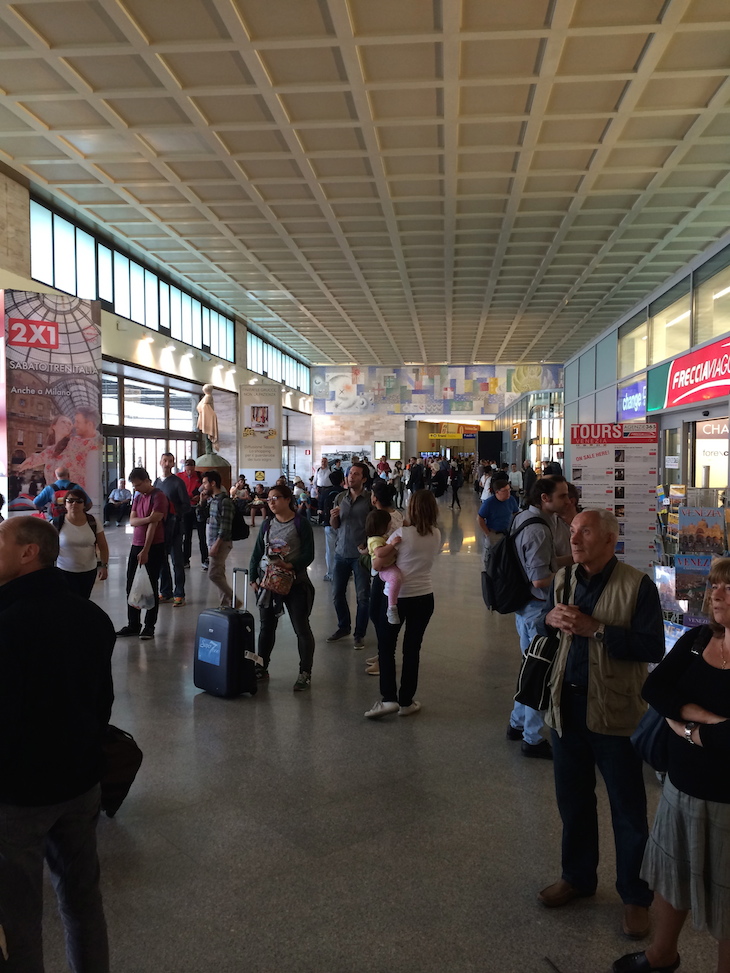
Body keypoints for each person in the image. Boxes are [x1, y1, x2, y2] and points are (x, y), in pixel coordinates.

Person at [538, 509, 664, 940]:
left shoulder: (636, 585)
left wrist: (598, 630)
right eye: (572, 531)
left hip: (615, 715)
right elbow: (546, 627)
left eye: (584, 531)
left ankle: (635, 896)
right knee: (573, 803)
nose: (575, 538)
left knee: (628, 811)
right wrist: (549, 620)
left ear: (610, 540)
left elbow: (653, 646)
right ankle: (577, 877)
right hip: (565, 711)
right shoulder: (563, 579)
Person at [0, 516, 114, 973]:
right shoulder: (92, 617)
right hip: (81, 784)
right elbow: (100, 700)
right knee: (83, 901)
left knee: (18, 921)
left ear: (29, 552)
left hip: (18, 795)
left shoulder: (8, 623)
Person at [612, 557, 730, 973]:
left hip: (726, 802)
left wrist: (686, 726)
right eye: (715, 586)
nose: (715, 594)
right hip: (681, 787)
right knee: (671, 875)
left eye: (728, 589)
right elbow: (654, 688)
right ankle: (662, 955)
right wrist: (705, 722)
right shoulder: (699, 639)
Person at [508, 476, 571, 759]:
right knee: (539, 674)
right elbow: (539, 580)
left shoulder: (527, 518)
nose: (567, 500)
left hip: (527, 609)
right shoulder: (538, 531)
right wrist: (567, 573)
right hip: (536, 612)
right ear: (544, 498)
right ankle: (532, 738)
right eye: (562, 496)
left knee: (529, 668)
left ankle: (517, 723)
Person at [365, 489, 441, 719]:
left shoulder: (401, 534)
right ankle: (406, 701)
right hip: (424, 595)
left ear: (411, 507)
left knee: (387, 648)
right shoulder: (436, 534)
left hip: (396, 597)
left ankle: (389, 699)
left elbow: (378, 564)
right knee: (412, 649)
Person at [249, 485, 316, 691]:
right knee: (266, 627)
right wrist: (253, 576)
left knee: (301, 628)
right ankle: (261, 667)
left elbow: (309, 553)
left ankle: (305, 672)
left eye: (276, 498)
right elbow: (257, 551)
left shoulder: (300, 524)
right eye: (268, 499)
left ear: (288, 499)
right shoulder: (267, 524)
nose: (271, 502)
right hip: (269, 583)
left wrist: (290, 565)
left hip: (295, 584)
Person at [116, 467, 168, 641]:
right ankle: (133, 624)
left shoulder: (159, 496)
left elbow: (154, 526)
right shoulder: (138, 497)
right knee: (131, 585)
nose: (136, 488)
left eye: (138, 485)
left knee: (150, 586)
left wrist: (146, 550)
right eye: (134, 486)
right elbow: (132, 520)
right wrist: (146, 519)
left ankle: (149, 626)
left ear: (147, 481)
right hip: (135, 545)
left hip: (153, 546)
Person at [327, 462, 372, 649]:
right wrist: (333, 517)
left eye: (356, 474)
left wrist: (369, 544)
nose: (351, 476)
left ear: (364, 479)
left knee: (363, 596)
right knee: (337, 593)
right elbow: (335, 526)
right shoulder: (339, 497)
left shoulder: (370, 499)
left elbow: (376, 524)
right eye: (350, 473)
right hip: (340, 552)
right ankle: (343, 626)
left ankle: (359, 633)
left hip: (360, 555)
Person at [52, 488, 109, 598]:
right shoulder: (56, 523)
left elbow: (103, 546)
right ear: (65, 504)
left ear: (84, 504)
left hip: (88, 571)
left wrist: (104, 566)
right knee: (69, 602)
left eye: (79, 501)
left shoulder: (93, 522)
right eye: (70, 501)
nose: (74, 504)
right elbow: (47, 547)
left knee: (83, 601)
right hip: (64, 571)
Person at [154, 452, 190, 608]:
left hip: (175, 527)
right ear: (160, 462)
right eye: (165, 461)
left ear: (174, 464)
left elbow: (186, 505)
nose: (167, 464)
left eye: (170, 461)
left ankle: (179, 593)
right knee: (162, 560)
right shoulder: (156, 482)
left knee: (177, 561)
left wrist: (174, 512)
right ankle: (166, 591)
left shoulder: (178, 483)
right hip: (160, 527)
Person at [198, 470, 238, 609]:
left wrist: (216, 545)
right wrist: (201, 502)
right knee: (219, 573)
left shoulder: (225, 501)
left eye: (205, 483)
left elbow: (225, 527)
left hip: (221, 543)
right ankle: (225, 605)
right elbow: (200, 518)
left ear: (213, 483)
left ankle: (233, 599)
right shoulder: (212, 500)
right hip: (213, 541)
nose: (203, 487)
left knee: (213, 574)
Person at [366, 508, 403, 625]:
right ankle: (392, 607)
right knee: (395, 578)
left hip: (388, 565)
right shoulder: (375, 540)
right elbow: (380, 553)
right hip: (385, 568)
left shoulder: (381, 538)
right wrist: (392, 545)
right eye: (389, 523)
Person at [179, 459, 207, 570]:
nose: (189, 472)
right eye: (187, 470)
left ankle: (205, 559)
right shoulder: (179, 476)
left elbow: (206, 487)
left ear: (194, 467)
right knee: (187, 536)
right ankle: (186, 560)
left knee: (202, 535)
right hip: (186, 509)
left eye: (191, 469)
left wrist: (200, 496)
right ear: (184, 468)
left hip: (198, 507)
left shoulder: (200, 476)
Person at [477, 475, 518, 546]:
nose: (508, 492)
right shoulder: (489, 503)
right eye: (505, 491)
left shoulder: (511, 499)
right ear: (497, 492)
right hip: (494, 534)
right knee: (492, 554)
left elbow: (516, 513)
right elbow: (480, 518)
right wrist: (487, 533)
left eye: (509, 490)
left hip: (508, 533)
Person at [320, 466, 344, 582]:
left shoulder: (325, 492)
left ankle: (330, 574)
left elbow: (320, 509)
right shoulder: (345, 493)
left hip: (328, 525)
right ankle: (344, 572)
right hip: (343, 525)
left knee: (330, 550)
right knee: (342, 549)